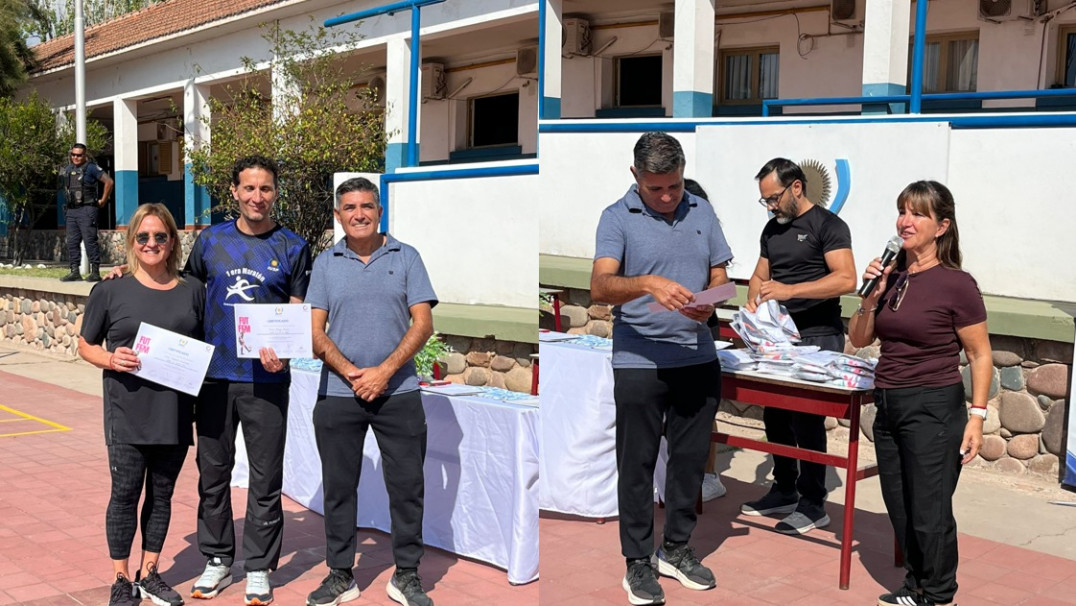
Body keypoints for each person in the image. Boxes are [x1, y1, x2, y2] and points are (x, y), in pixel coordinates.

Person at [591, 132, 733, 605]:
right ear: (635, 175)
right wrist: (648, 283)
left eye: (675, 185)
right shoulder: (615, 217)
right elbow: (600, 286)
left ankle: (675, 548)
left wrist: (710, 300)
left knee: (690, 463)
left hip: (697, 356)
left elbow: (720, 273)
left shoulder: (702, 210)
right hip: (639, 360)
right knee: (637, 464)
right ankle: (637, 560)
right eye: (656, 189)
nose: (669, 197)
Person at [849, 181, 989, 606]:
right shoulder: (891, 277)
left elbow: (979, 354)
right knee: (901, 505)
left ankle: (940, 594)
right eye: (902, 211)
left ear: (941, 226)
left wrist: (977, 417)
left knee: (930, 510)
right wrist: (871, 297)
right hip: (889, 404)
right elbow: (859, 338)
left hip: (933, 407)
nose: (905, 222)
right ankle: (916, 585)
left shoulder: (956, 284)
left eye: (917, 214)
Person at [305, 177, 438, 606]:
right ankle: (340, 574)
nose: (358, 214)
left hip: (398, 392)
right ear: (338, 215)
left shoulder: (407, 256)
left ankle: (407, 574)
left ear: (380, 211)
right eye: (349, 207)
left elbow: (423, 323)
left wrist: (383, 372)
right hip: (338, 394)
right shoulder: (326, 263)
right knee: (339, 488)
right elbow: (313, 331)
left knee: (407, 487)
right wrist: (352, 373)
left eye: (366, 206)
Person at [187, 156, 311, 605]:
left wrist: (286, 352)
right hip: (213, 378)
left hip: (266, 382)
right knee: (212, 474)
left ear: (275, 192)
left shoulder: (293, 246)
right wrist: (131, 275)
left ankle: (258, 566)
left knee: (265, 477)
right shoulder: (210, 241)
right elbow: (184, 295)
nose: (257, 197)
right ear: (235, 192)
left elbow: (297, 313)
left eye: (266, 188)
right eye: (249, 188)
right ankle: (217, 558)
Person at [78, 203, 204, 606]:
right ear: (132, 241)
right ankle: (120, 578)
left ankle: (149, 573)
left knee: (161, 495)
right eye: (143, 236)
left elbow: (204, 344)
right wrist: (110, 358)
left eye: (160, 236)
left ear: (172, 241)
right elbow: (85, 345)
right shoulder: (110, 289)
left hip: (174, 411)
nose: (152, 243)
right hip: (127, 411)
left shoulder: (192, 290)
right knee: (125, 493)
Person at [739, 158, 856, 535]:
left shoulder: (828, 226)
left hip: (818, 334)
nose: (771, 206)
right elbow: (760, 275)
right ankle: (784, 487)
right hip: (778, 335)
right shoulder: (772, 229)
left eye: (774, 197)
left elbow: (846, 279)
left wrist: (791, 291)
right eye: (765, 200)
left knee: (807, 418)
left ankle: (813, 502)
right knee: (775, 414)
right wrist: (754, 302)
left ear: (796, 187)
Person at [683, 177, 726, 503]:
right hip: (661, 330)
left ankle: (710, 475)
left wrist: (702, 300)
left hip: (701, 328)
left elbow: (724, 288)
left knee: (702, 410)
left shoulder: (709, 235)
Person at [60, 143, 114, 282]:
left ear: (85, 155)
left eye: (79, 155)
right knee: (72, 242)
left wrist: (103, 200)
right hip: (72, 210)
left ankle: (95, 272)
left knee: (90, 240)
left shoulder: (91, 168)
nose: (75, 157)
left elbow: (109, 182)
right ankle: (74, 271)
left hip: (87, 209)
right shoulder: (68, 169)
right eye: (73, 154)